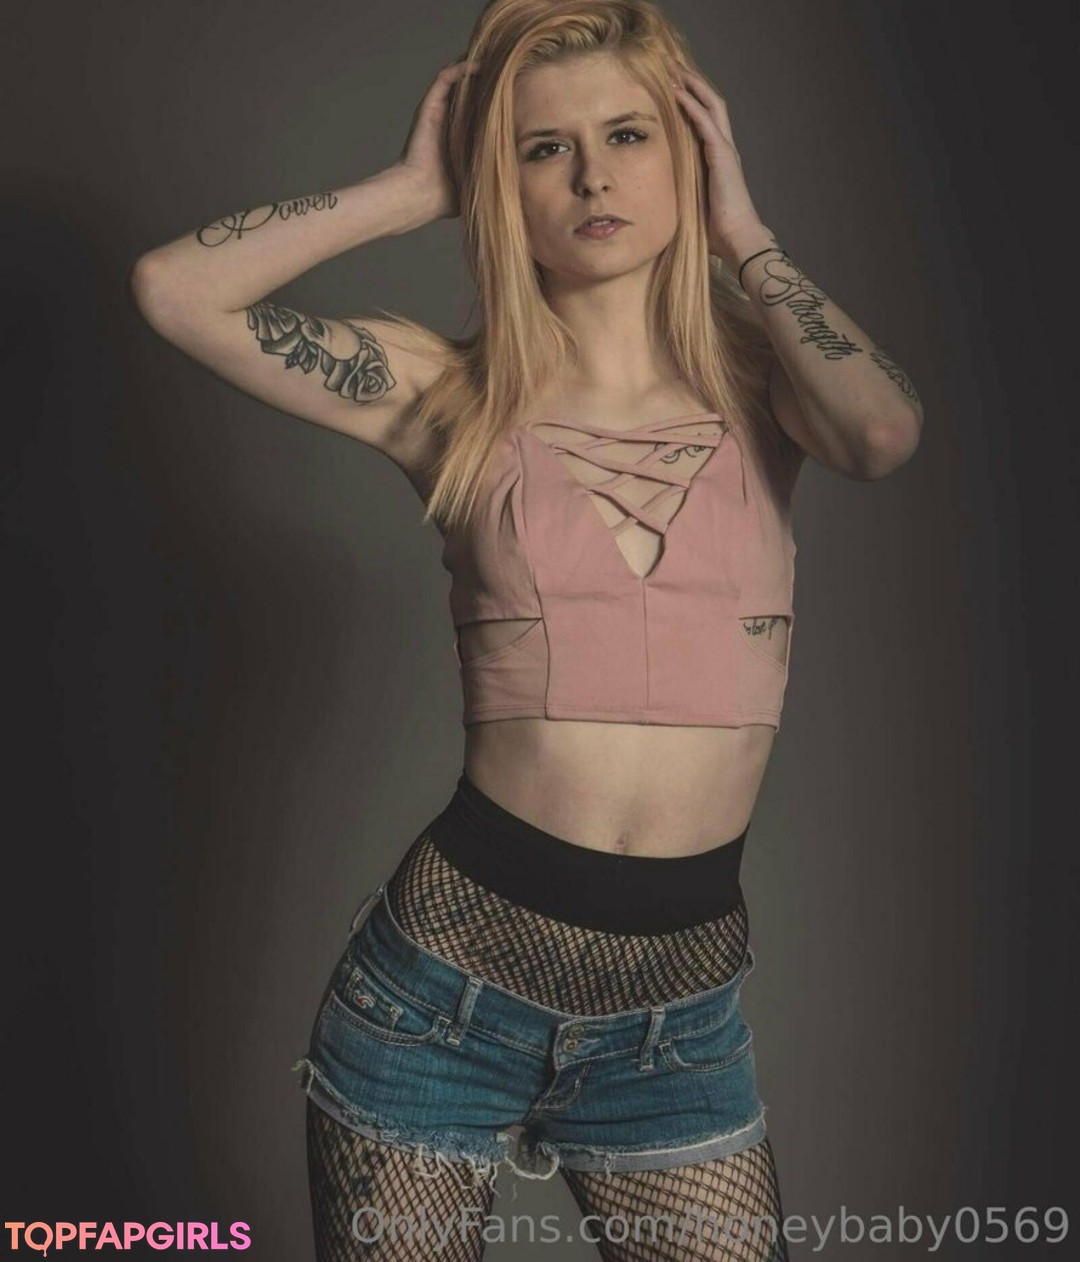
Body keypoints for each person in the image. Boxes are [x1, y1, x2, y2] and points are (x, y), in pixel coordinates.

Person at [129, 1, 922, 1256]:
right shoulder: (446, 393)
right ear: (502, 184)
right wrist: (407, 192)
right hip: (438, 1008)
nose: (593, 175)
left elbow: (881, 433)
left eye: (629, 134)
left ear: (690, 148)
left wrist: (748, 235)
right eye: (545, 148)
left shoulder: (770, 389)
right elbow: (175, 291)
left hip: (676, 1033)